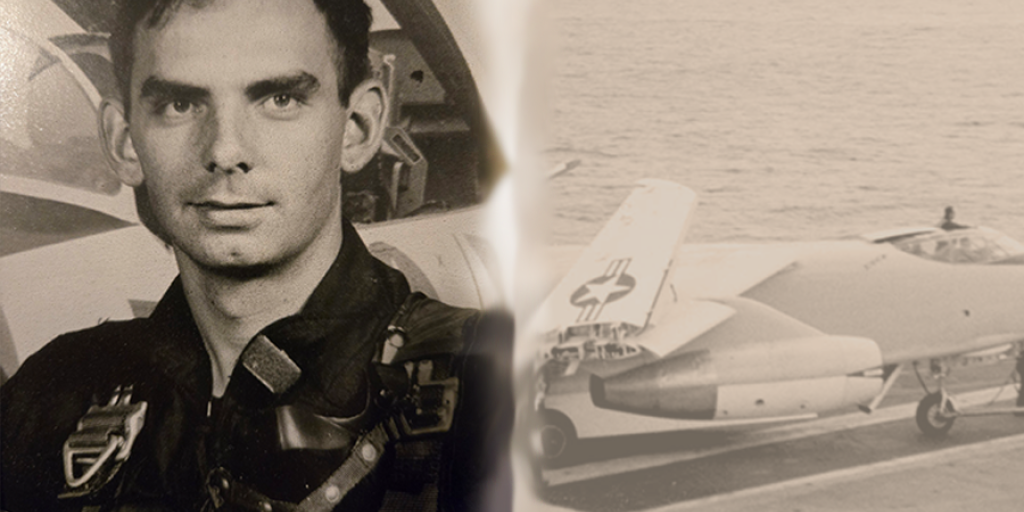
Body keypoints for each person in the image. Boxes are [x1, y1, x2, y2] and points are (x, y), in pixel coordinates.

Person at [0, 1, 511, 510]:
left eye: (280, 99)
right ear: (125, 141)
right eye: (180, 105)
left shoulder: (497, 392)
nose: (225, 151)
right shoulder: (49, 397)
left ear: (356, 128)